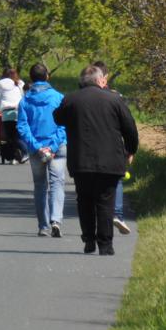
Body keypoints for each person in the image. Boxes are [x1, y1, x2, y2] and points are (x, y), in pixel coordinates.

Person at [54, 64, 139, 255]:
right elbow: (130, 127)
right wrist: (131, 149)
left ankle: (89, 240)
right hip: (110, 160)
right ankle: (106, 244)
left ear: (81, 82)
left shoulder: (71, 100)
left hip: (81, 160)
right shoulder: (114, 100)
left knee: (84, 200)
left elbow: (58, 118)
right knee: (105, 202)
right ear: (100, 80)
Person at [16, 63, 67, 237]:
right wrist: (52, 146)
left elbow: (22, 127)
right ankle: (56, 220)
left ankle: (43, 226)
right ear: (47, 76)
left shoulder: (25, 101)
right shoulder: (59, 98)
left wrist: (37, 147)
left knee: (40, 185)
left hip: (35, 148)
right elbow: (64, 124)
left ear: (31, 78)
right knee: (57, 183)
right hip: (57, 147)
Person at [93, 60, 132, 235]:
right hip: (115, 146)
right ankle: (116, 214)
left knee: (93, 181)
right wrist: (130, 149)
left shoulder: (84, 96)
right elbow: (128, 125)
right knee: (116, 179)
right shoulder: (117, 97)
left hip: (91, 146)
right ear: (105, 77)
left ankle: (98, 216)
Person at [0, 67, 26, 162]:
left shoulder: (1, 84)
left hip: (7, 113)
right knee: (18, 134)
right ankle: (20, 153)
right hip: (20, 112)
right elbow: (23, 97)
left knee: (10, 136)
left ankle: (15, 155)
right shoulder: (20, 84)